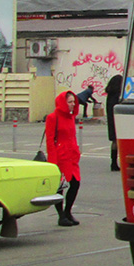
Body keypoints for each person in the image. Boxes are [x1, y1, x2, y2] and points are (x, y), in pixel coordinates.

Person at [45, 90, 83, 226]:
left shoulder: (71, 117)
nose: (73, 104)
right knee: (60, 186)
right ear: (63, 102)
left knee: (75, 183)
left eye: (74, 101)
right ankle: (61, 215)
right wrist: (53, 160)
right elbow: (50, 140)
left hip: (71, 156)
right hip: (60, 157)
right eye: (70, 102)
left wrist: (76, 151)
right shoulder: (53, 117)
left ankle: (68, 211)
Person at [105, 74, 122, 171]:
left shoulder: (110, 94)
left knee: (114, 141)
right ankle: (116, 163)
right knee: (119, 141)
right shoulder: (117, 95)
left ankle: (113, 162)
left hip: (111, 120)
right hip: (117, 119)